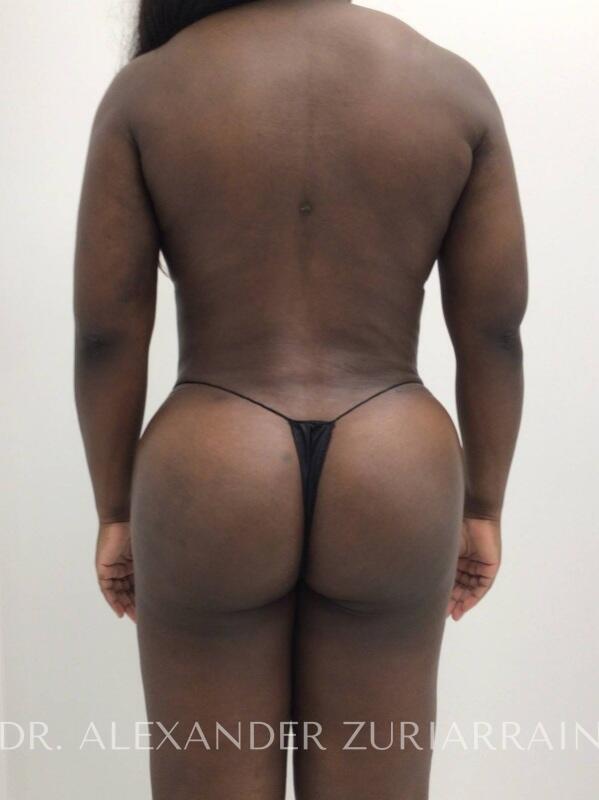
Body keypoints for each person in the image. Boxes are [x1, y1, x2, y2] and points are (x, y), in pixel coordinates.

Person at [73, 0, 527, 796]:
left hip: (213, 458)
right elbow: (493, 332)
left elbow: (106, 335)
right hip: (395, 459)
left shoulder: (150, 90)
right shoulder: (450, 86)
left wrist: (115, 510)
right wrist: (483, 505)